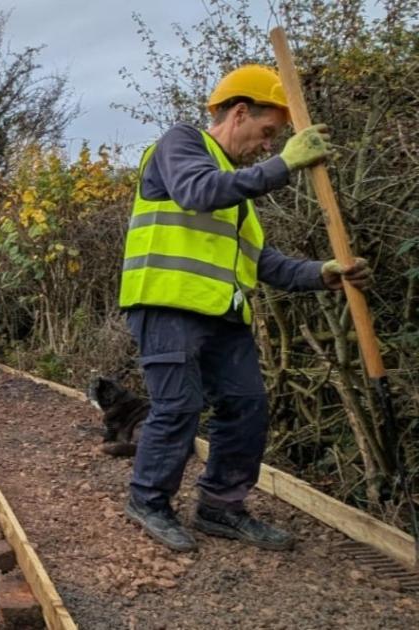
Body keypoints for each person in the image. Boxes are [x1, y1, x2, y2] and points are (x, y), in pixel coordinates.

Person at [118, 64, 372, 552]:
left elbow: (261, 262)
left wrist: (323, 273)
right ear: (238, 113)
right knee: (179, 406)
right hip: (166, 304)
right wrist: (285, 165)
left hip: (224, 313)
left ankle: (221, 507)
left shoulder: (236, 193)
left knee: (247, 406)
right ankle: (148, 501)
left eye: (275, 140)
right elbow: (197, 193)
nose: (268, 146)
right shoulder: (182, 144)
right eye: (267, 132)